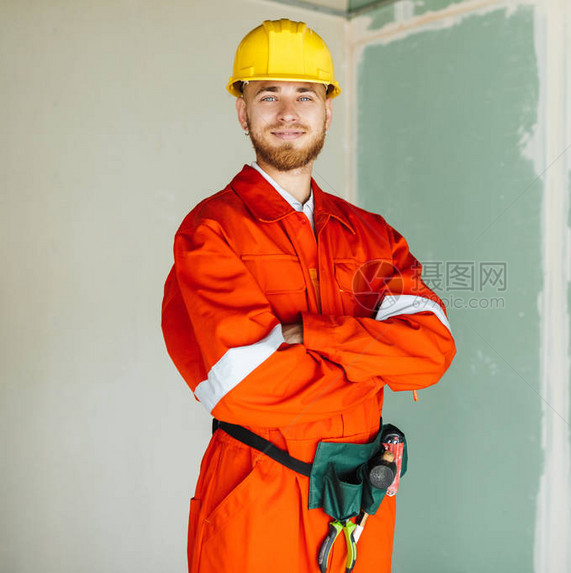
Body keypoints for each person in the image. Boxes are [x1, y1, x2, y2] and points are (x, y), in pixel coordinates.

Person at [161, 18, 456, 573]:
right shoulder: (211, 232)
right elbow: (246, 386)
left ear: (327, 109)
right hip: (258, 497)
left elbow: (431, 354)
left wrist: (312, 335)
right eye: (267, 94)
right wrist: (377, 362)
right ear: (243, 112)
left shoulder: (374, 235)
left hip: (357, 504)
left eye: (305, 94)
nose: (287, 112)